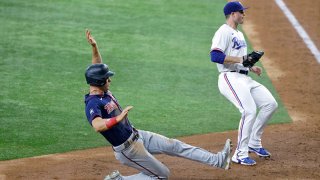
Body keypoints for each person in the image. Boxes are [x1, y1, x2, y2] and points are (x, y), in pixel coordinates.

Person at [84, 29, 232, 180]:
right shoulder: (93, 103)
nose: (110, 80)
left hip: (138, 135)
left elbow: (97, 66)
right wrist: (118, 118)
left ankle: (218, 160)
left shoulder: (101, 88)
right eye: (107, 79)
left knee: (175, 145)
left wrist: (94, 47)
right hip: (128, 151)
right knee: (162, 175)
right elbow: (97, 125)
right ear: (99, 81)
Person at [209, 1, 278, 166]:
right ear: (233, 14)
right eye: (241, 12)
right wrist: (242, 59)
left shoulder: (239, 34)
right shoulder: (223, 32)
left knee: (270, 104)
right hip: (229, 78)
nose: (244, 14)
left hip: (244, 77)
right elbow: (215, 56)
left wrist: (251, 66)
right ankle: (239, 154)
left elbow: (240, 59)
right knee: (249, 111)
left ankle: (254, 142)